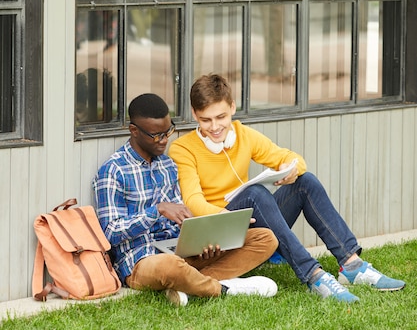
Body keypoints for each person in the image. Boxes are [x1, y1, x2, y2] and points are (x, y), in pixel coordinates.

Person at [169, 74, 406, 303]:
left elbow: (290, 158)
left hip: (248, 224)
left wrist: (292, 168)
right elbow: (192, 201)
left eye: (220, 117)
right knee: (255, 194)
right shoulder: (183, 149)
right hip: (218, 229)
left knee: (306, 181)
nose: (214, 127)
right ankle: (314, 275)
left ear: (232, 107)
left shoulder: (243, 136)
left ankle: (352, 265)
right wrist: (228, 217)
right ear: (194, 114)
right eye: (205, 120)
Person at [92, 93, 279, 307]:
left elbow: (181, 218)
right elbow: (110, 234)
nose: (164, 141)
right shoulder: (112, 171)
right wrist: (157, 210)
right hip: (140, 260)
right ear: (134, 131)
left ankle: (187, 285)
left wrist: (202, 241)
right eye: (156, 135)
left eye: (168, 132)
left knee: (265, 239)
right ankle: (224, 288)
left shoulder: (168, 165)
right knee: (169, 266)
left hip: (178, 250)